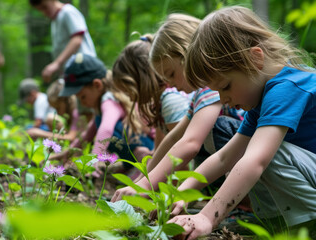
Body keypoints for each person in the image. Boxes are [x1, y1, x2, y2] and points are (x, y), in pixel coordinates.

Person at [166, 6, 316, 239]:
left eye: (225, 86)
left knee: (260, 155)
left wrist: (207, 216)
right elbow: (225, 157)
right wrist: (178, 194)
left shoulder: (286, 88)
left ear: (255, 58)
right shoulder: (262, 99)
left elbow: (254, 160)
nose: (223, 100)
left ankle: (307, 226)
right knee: (245, 157)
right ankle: (276, 224)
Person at [112, 14, 244, 201]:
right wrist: (141, 182)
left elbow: (189, 143)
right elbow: (172, 139)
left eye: (172, 74)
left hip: (251, 158)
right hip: (235, 160)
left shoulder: (211, 88)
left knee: (213, 129)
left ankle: (239, 204)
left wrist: (145, 186)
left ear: (187, 54)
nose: (171, 85)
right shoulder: (199, 95)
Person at [57, 53, 154, 175]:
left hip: (148, 146)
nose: (82, 103)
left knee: (104, 127)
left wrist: (94, 159)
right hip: (143, 143)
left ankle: (143, 162)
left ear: (97, 85)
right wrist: (69, 152)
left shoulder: (109, 100)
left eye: (83, 97)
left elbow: (106, 129)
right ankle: (130, 164)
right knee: (97, 123)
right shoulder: (101, 108)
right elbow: (88, 134)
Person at [112, 34, 191, 151]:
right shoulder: (160, 103)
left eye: (128, 92)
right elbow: (159, 149)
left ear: (141, 80)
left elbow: (181, 154)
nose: (131, 99)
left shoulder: (170, 100)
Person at [29, 0, 96, 82]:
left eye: (45, 7)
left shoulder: (68, 12)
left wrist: (57, 63)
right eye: (40, 10)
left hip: (83, 66)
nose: (44, 12)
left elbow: (77, 39)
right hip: (71, 71)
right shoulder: (55, 21)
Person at [26, 79, 91, 140]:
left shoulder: (76, 111)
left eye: (58, 108)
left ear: (65, 100)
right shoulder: (68, 112)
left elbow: (72, 137)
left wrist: (39, 133)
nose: (57, 112)